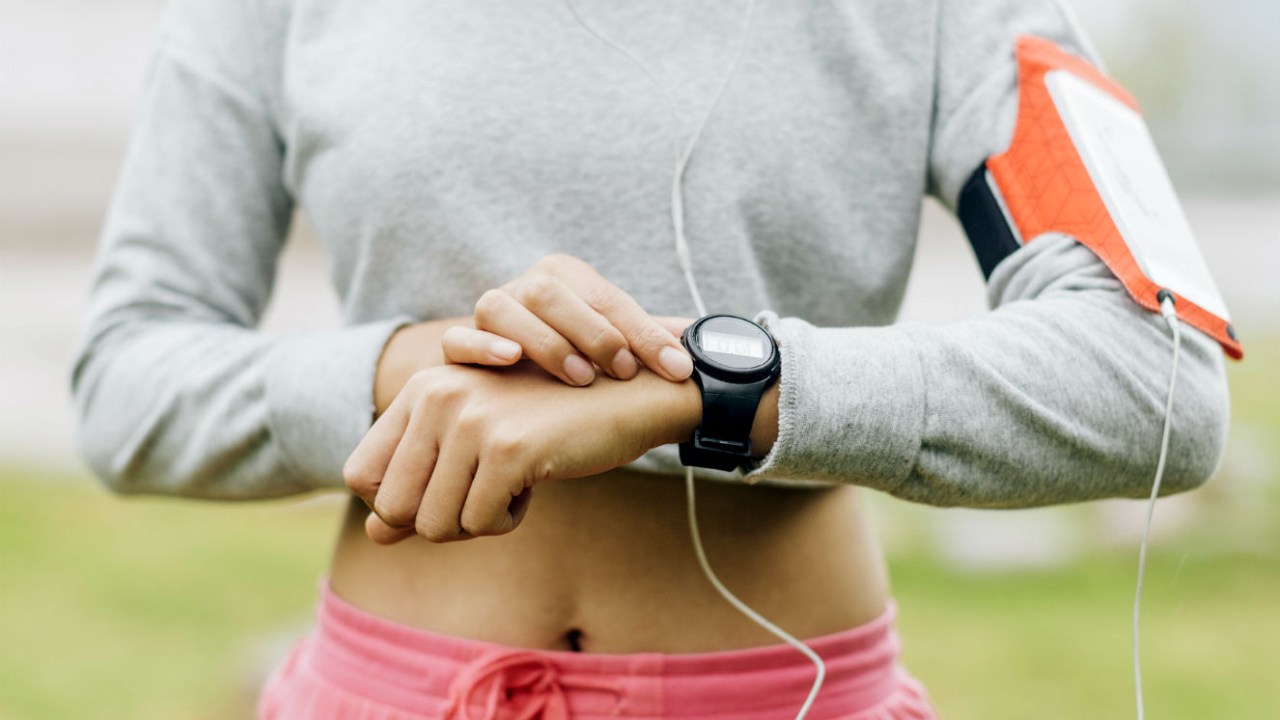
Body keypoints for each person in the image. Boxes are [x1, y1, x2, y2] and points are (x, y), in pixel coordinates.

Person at [72, 0, 1230, 717]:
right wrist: (416, 371)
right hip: (386, 689)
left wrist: (696, 385)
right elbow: (126, 375)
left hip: (785, 700)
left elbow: (1156, 376)